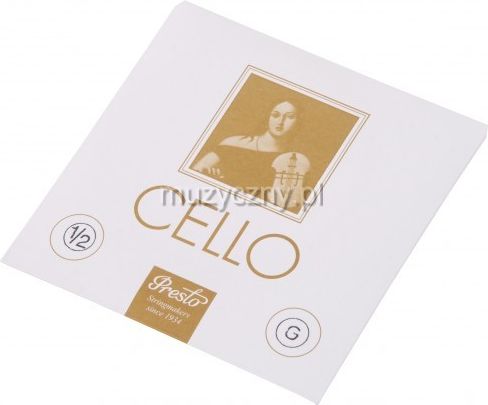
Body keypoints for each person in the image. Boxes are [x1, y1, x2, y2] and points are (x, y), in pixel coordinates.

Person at [191, 100, 300, 196]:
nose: (280, 121)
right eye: (275, 115)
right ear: (267, 116)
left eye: (290, 117)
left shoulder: (293, 161)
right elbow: (196, 172)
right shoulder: (233, 143)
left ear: (298, 121)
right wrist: (209, 179)